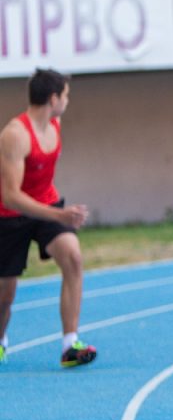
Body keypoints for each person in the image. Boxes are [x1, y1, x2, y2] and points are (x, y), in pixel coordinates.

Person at [0, 68, 97, 367]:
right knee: (6, 294)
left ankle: (70, 344)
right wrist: (59, 214)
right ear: (53, 98)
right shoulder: (15, 136)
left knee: (73, 256)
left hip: (46, 207)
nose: (68, 101)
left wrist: (56, 214)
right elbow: (11, 196)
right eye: (66, 95)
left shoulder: (55, 124)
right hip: (9, 216)